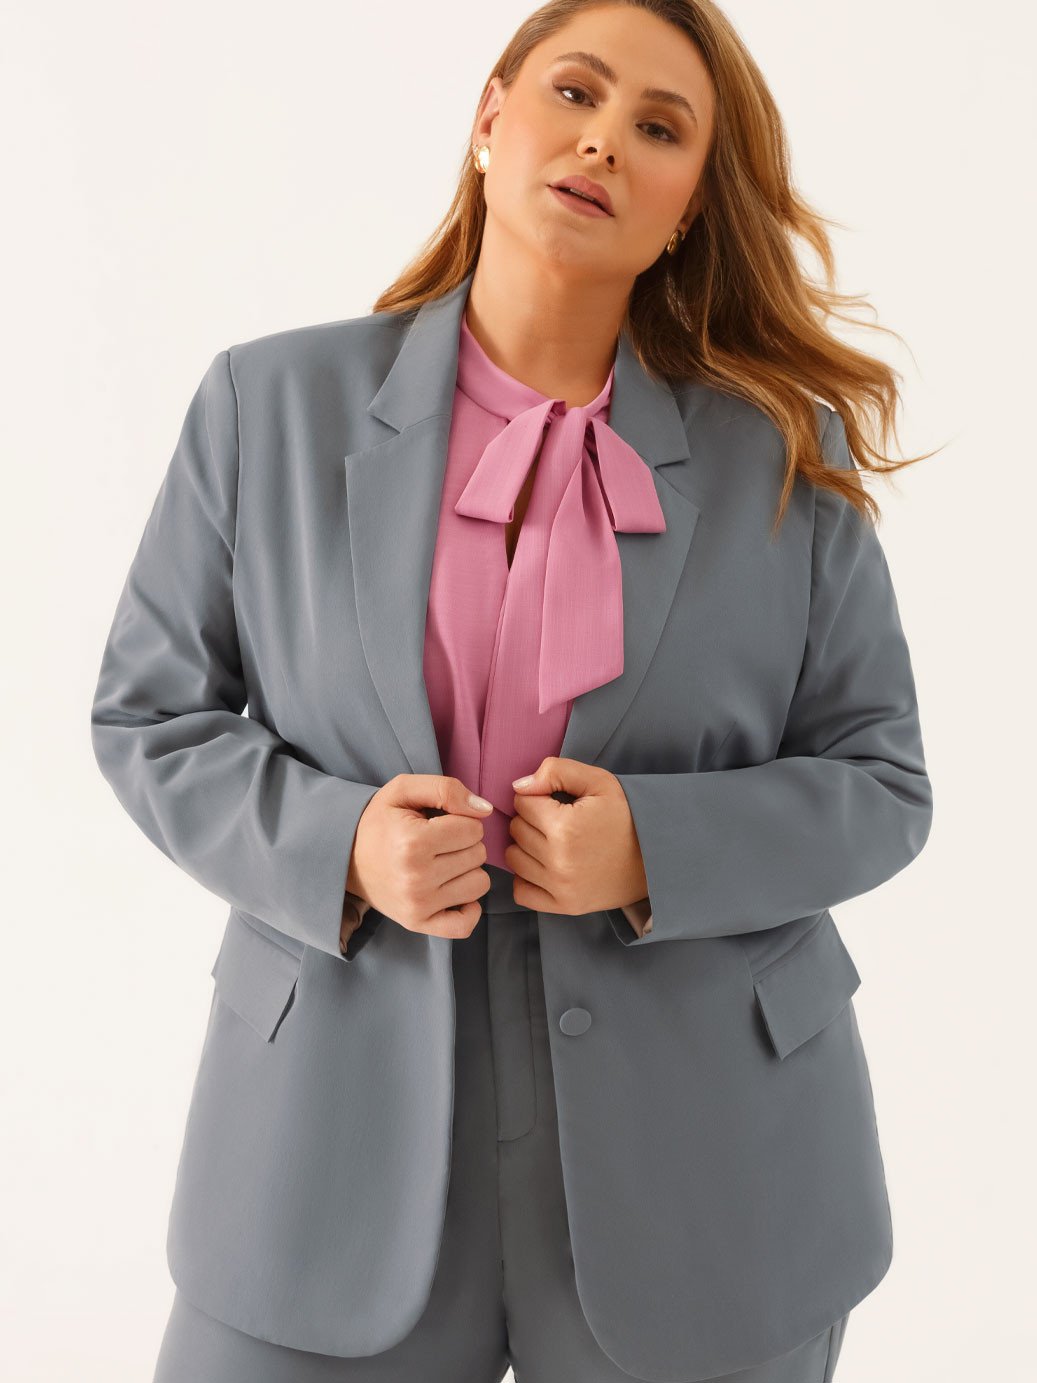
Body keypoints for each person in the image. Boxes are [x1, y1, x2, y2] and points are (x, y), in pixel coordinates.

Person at [91, 2, 935, 1380]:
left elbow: (881, 783)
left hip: (709, 1162)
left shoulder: (787, 455)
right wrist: (339, 845)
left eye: (657, 128)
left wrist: (656, 848)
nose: (603, 142)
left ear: (685, 209)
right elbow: (147, 716)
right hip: (324, 1138)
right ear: (492, 118)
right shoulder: (267, 405)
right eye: (574, 93)